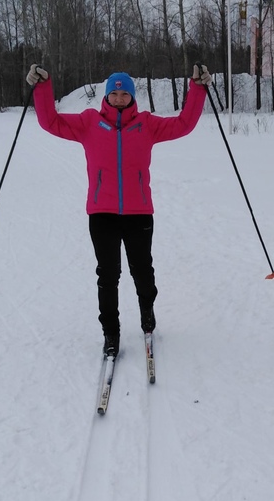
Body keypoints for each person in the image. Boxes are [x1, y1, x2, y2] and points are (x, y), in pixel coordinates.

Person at [27, 64, 211, 356]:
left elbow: (184, 124)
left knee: (143, 272)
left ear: (132, 96)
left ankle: (147, 311)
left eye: (125, 94)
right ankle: (110, 332)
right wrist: (42, 87)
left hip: (139, 213)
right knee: (108, 276)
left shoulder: (146, 124)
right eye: (114, 94)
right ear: (106, 96)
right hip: (102, 214)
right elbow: (50, 121)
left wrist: (198, 88)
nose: (119, 98)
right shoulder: (89, 122)